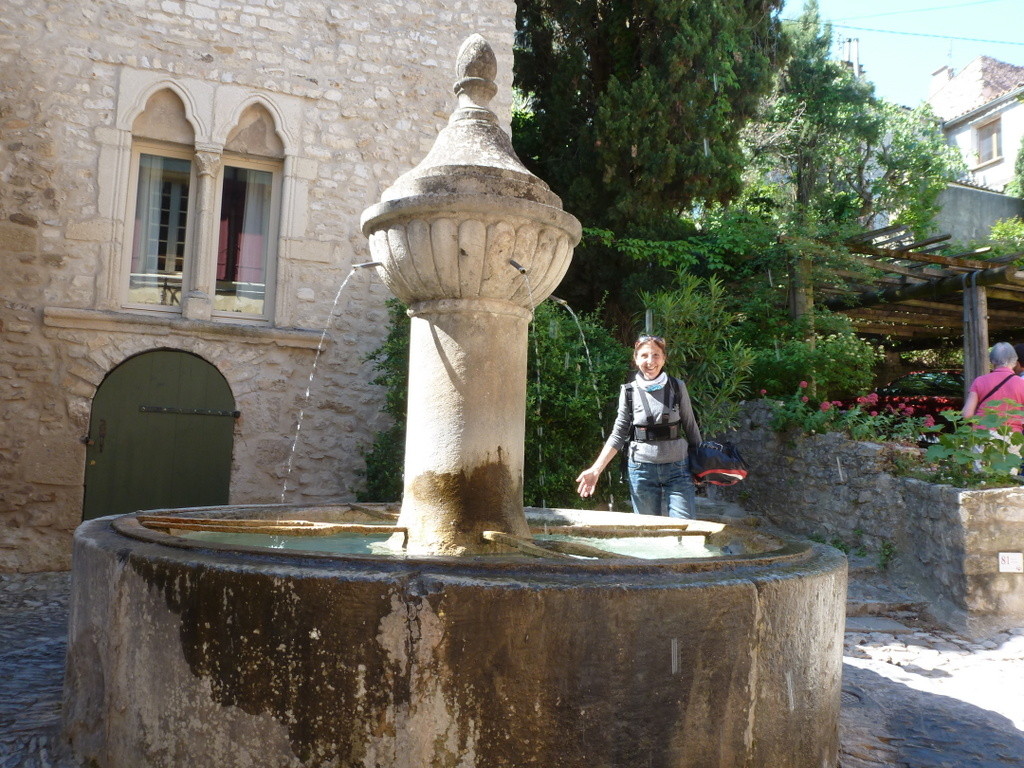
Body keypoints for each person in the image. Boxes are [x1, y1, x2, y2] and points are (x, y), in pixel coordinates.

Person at [576, 335, 702, 518]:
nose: (650, 361)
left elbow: (691, 426)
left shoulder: (677, 386)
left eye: (656, 355)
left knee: (686, 527)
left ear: (664, 358)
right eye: (644, 355)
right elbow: (618, 434)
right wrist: (596, 469)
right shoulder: (628, 391)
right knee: (649, 531)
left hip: (678, 468)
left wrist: (701, 466)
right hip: (642, 471)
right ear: (636, 359)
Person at [962, 342, 1024, 431]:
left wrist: (976, 426)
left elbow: (967, 414)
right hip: (1011, 435)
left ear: (992, 360)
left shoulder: (979, 381)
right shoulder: (1021, 383)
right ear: (1015, 361)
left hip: (983, 435)